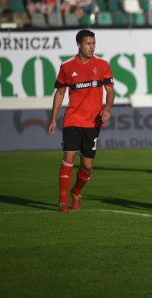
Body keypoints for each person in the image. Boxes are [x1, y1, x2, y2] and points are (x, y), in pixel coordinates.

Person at [48, 29, 115, 212]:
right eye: (88, 44)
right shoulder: (67, 66)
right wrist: (53, 118)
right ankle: (62, 200)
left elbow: (110, 91)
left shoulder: (102, 65)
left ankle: (76, 192)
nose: (92, 47)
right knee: (68, 156)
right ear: (79, 45)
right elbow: (60, 93)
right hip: (72, 119)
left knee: (87, 165)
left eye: (93, 43)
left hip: (93, 122)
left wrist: (107, 108)